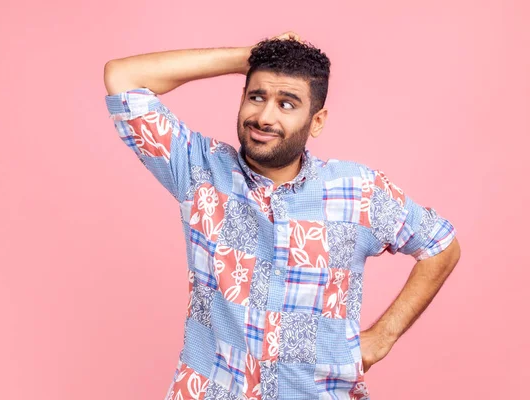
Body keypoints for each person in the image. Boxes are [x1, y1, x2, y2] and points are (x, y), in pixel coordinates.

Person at [103, 32, 461, 400]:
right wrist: (250, 57)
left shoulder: (359, 191)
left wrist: (383, 336)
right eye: (257, 97)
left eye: (287, 103)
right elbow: (122, 78)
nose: (264, 116)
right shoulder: (199, 169)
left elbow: (441, 246)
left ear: (316, 121)